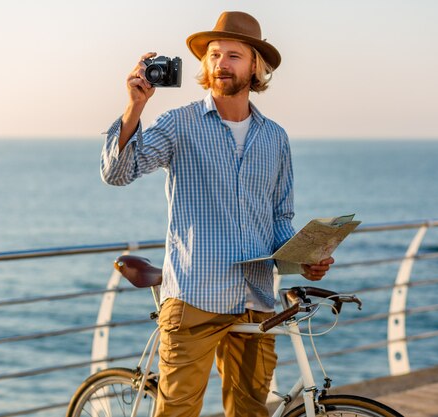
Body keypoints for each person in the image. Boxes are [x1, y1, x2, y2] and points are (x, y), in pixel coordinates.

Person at [101, 10, 334, 417]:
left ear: (255, 66)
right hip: (194, 299)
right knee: (177, 412)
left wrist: (304, 259)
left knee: (250, 412)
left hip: (257, 303)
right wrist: (134, 108)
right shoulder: (179, 124)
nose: (221, 64)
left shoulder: (275, 139)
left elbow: (280, 220)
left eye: (233, 56)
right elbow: (116, 173)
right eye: (213, 55)